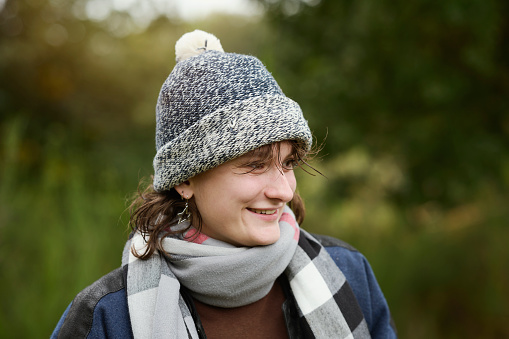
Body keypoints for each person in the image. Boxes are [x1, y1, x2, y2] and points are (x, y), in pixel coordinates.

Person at [51, 30, 397, 339]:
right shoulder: (108, 319)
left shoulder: (348, 273)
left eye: (288, 163)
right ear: (184, 179)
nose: (284, 191)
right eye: (255, 164)